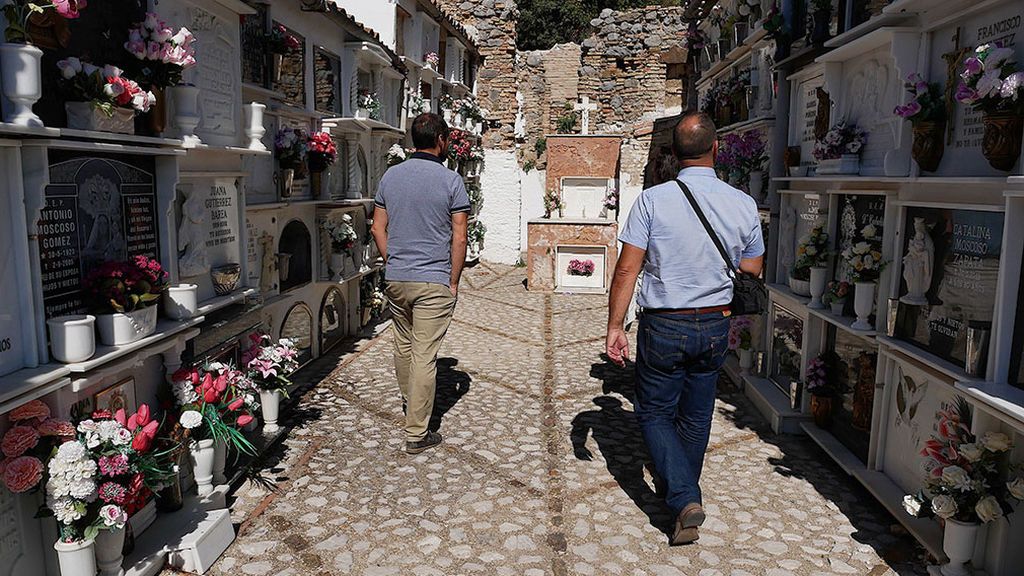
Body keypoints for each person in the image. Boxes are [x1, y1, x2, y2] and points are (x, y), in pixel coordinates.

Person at [605, 111, 764, 545]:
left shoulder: (653, 200)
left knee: (654, 411)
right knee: (696, 414)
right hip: (716, 322)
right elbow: (752, 269)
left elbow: (626, 270)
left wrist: (615, 326)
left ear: (673, 154)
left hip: (665, 322)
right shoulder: (744, 203)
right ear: (717, 149)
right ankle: (682, 498)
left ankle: (683, 496)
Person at [371, 113, 470, 455]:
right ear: (441, 140)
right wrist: (453, 281)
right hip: (433, 279)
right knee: (426, 354)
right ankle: (417, 432)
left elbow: (376, 228)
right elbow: (459, 238)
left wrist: (391, 261)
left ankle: (409, 399)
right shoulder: (451, 181)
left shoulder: (390, 177)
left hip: (397, 277)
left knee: (403, 346)